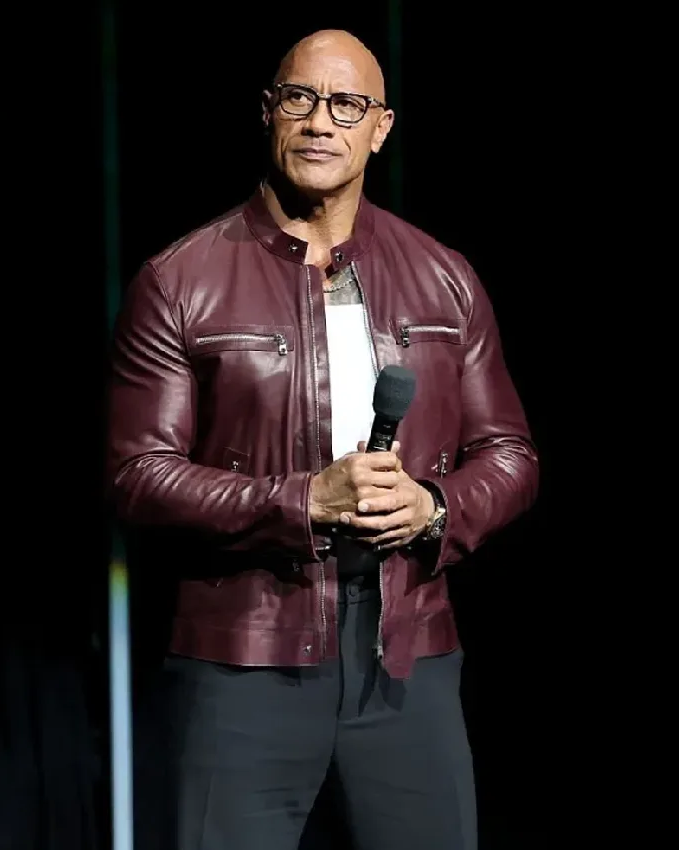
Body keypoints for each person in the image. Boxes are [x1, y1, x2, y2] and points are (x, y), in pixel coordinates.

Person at [107, 28, 539, 850]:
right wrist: (302, 502)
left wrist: (432, 507)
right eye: (300, 99)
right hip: (243, 655)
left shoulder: (445, 276)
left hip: (406, 658)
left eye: (347, 105)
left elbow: (511, 457)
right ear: (268, 112)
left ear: (380, 128)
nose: (319, 122)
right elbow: (137, 475)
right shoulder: (180, 281)